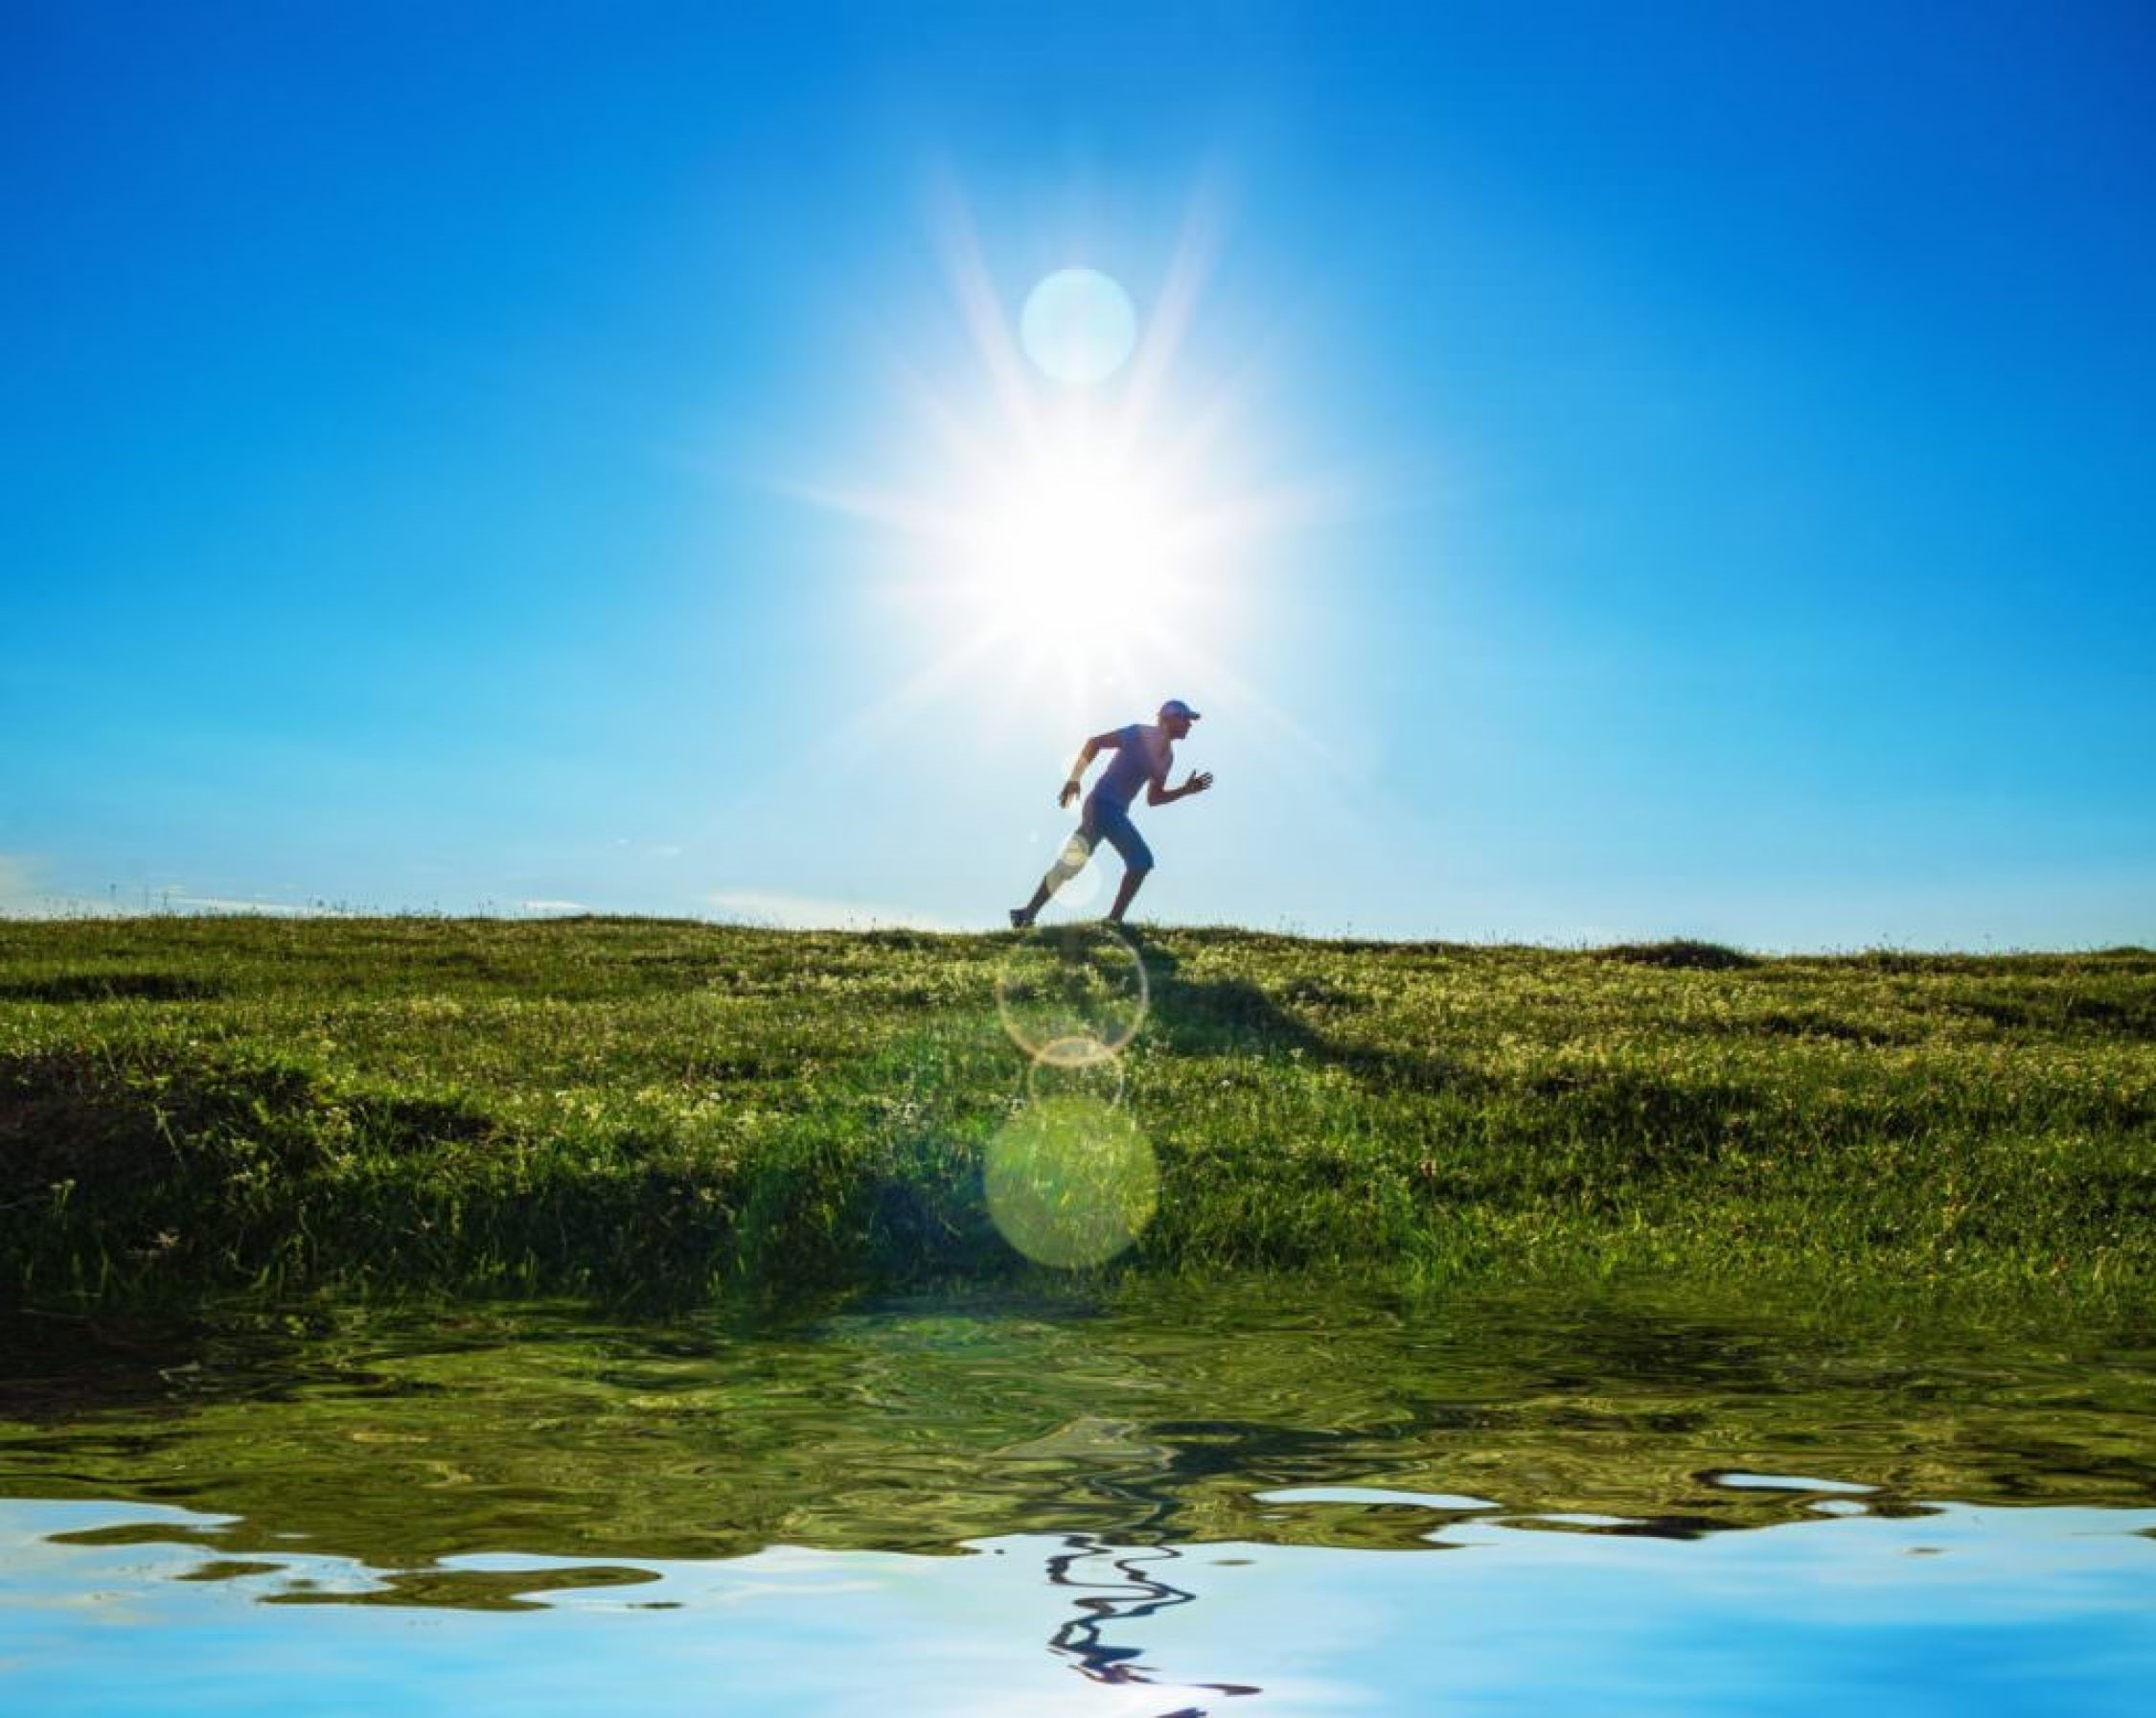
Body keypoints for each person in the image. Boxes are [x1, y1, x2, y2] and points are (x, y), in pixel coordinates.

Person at [1010, 699, 1214, 929]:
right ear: (1170, 718)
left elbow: (1153, 799)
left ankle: (1025, 914)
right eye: (1186, 719)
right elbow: (1094, 743)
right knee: (1141, 861)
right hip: (1102, 804)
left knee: (1069, 865)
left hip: (1109, 809)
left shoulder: (1167, 758)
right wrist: (1074, 779)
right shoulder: (1138, 733)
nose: (1189, 724)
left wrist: (1185, 790)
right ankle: (1112, 922)